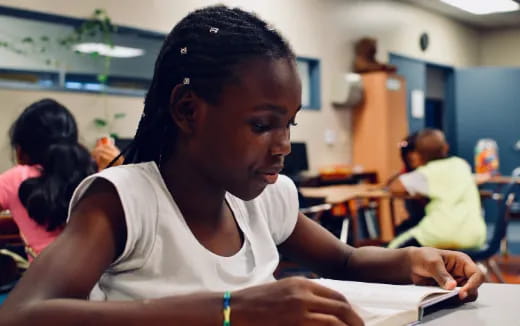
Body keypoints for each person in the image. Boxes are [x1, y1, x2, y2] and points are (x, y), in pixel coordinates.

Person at [0, 6, 483, 326]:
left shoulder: (263, 198)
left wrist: (415, 261)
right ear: (189, 110)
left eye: (289, 124)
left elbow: (345, 260)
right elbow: (23, 315)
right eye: (262, 125)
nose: (284, 145)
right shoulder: (126, 202)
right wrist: (230, 310)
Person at [0, 99, 96, 261]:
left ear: (21, 150)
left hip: (46, 281)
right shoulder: (89, 173)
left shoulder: (16, 177)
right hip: (93, 277)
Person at [387, 128, 486, 249]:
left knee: (391, 252)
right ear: (446, 147)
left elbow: (394, 187)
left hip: (438, 234)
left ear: (417, 155)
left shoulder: (426, 173)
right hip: (473, 236)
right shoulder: (461, 164)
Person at [386, 132, 428, 236]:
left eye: (415, 152)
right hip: (416, 220)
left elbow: (396, 187)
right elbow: (392, 185)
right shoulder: (407, 172)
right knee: (400, 230)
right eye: (408, 153)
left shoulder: (429, 171)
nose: (412, 156)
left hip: (431, 221)